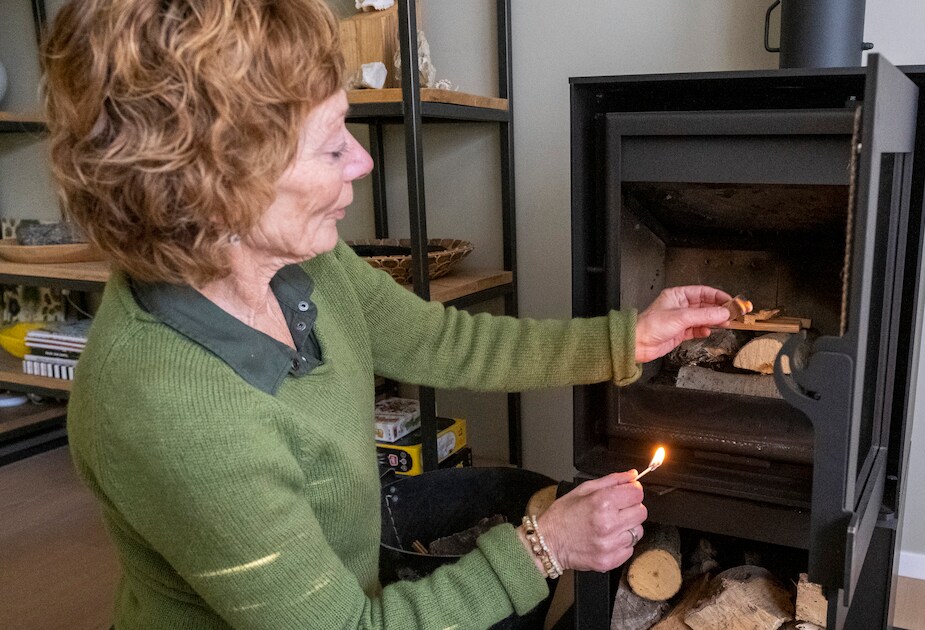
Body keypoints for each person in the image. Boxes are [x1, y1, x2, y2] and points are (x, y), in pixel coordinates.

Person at [40, 1, 734, 628]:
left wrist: (627, 340)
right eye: (331, 145)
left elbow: (443, 341)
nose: (364, 161)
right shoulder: (173, 410)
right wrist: (543, 548)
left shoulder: (300, 261)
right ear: (223, 186)